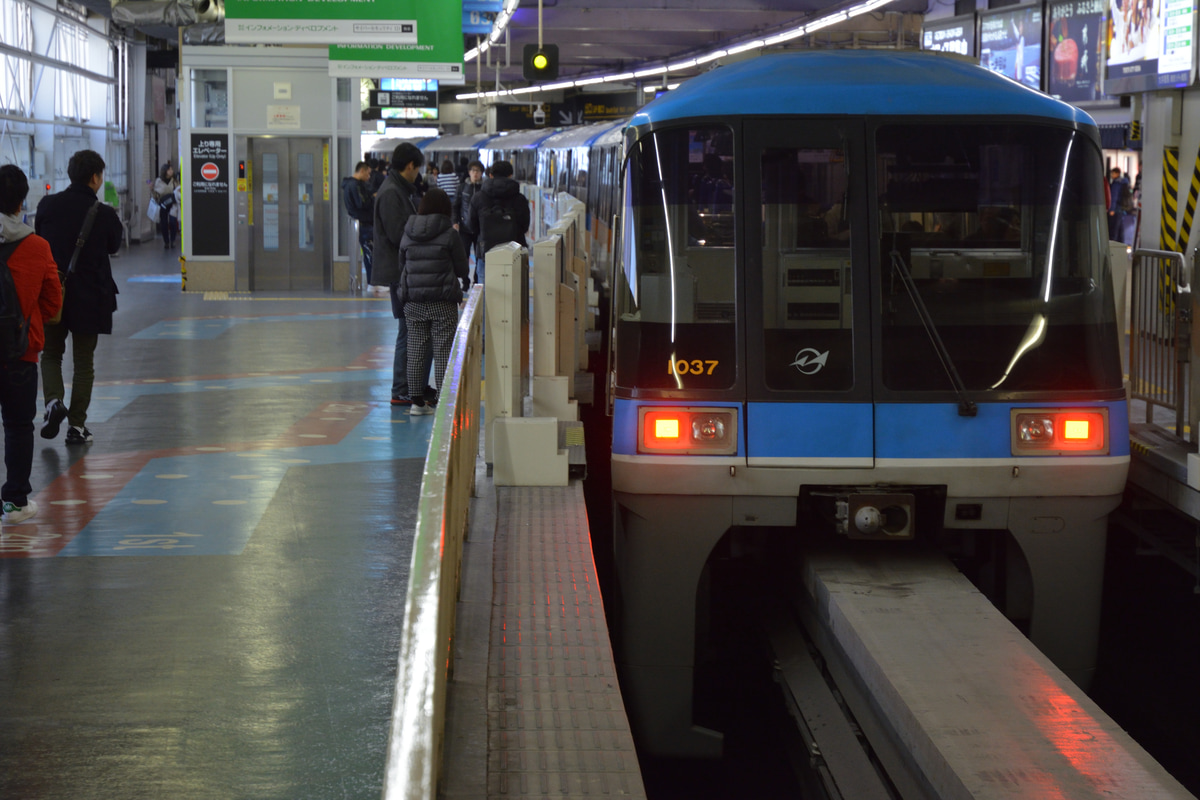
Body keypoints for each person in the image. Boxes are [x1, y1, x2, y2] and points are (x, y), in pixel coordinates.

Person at [35, 149, 122, 445]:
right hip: (91, 298)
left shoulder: (48, 206)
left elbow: (39, 241)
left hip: (53, 295)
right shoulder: (105, 213)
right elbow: (114, 246)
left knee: (51, 355)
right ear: (95, 177)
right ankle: (76, 427)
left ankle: (53, 403)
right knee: (84, 361)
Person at [0, 165, 62, 523]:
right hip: (20, 352)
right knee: (18, 425)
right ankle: (15, 503)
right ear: (23, 201)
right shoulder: (37, 247)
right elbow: (53, 305)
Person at [398, 187, 469, 415]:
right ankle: (441, 400)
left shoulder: (408, 231)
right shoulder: (450, 234)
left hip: (414, 300)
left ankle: (416, 403)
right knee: (443, 350)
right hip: (442, 299)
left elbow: (402, 264)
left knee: (416, 349)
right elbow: (462, 268)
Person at [373, 142, 432, 406]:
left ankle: (414, 385)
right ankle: (401, 388)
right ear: (410, 166)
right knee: (408, 330)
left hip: (406, 270)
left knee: (412, 329)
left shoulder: (399, 190)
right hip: (399, 272)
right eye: (417, 169)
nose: (418, 175)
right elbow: (399, 234)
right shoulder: (391, 193)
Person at [465, 159, 531, 287]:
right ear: (510, 176)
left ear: (490, 175)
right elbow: (524, 225)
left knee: (486, 293)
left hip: (486, 252)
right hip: (514, 252)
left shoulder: (478, 197)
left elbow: (471, 225)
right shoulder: (519, 199)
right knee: (514, 292)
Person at [342, 161, 377, 291]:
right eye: (367, 174)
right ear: (361, 171)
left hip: (362, 223)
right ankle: (373, 282)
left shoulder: (349, 185)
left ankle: (372, 282)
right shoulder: (355, 186)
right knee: (370, 253)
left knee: (370, 252)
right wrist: (372, 198)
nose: (369, 177)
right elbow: (362, 203)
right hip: (364, 224)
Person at [453, 160, 485, 274]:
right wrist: (455, 221)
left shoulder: (484, 188)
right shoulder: (462, 187)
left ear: (481, 173)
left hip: (480, 228)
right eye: (472, 170)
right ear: (469, 172)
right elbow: (456, 206)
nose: (475, 173)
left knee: (479, 255)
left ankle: (476, 280)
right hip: (464, 227)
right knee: (464, 255)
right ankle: (465, 280)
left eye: (478, 171)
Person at [153, 163, 178, 249]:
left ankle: (173, 240)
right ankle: (166, 241)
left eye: (171, 169)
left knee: (172, 221)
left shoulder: (174, 180)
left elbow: (178, 190)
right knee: (164, 222)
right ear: (165, 171)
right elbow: (156, 195)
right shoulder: (159, 181)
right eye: (169, 170)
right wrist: (151, 189)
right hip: (163, 204)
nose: (171, 171)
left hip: (173, 203)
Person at [1109, 167, 1130, 242]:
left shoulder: (1116, 184)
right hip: (1121, 208)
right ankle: (1121, 244)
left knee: (1114, 230)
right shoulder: (1124, 182)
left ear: (1117, 173)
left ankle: (1113, 246)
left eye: (1113, 173)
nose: (1111, 175)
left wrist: (1112, 209)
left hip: (1116, 209)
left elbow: (1114, 197)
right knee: (1120, 229)